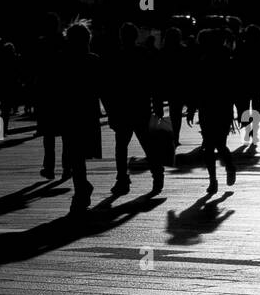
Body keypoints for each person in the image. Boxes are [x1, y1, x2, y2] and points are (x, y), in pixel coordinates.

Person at [103, 22, 163, 196]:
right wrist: (157, 106)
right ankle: (157, 174)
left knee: (121, 147)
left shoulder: (116, 56)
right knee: (147, 143)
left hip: (122, 108)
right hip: (141, 106)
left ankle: (122, 179)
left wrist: (110, 111)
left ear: (121, 37)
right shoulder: (144, 54)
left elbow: (109, 87)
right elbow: (153, 82)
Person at [186, 28, 238, 195]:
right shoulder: (228, 59)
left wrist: (192, 108)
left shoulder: (204, 61)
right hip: (223, 107)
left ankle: (214, 179)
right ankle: (226, 169)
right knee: (217, 143)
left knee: (210, 145)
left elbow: (196, 87)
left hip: (208, 106)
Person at [58, 21, 102, 212]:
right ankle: (81, 189)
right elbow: (103, 88)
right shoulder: (93, 60)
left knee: (74, 154)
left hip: (70, 111)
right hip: (88, 111)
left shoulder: (63, 60)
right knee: (80, 153)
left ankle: (81, 189)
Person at [32, 12, 68, 179]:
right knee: (66, 134)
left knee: (48, 135)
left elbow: (36, 69)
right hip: (63, 91)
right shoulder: (65, 42)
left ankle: (49, 167)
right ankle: (67, 168)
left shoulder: (41, 43)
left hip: (46, 92)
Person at [159, 26, 193, 150]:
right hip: (180, 85)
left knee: (165, 113)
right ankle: (175, 136)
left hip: (167, 85)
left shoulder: (162, 52)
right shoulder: (183, 51)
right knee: (176, 113)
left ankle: (167, 136)